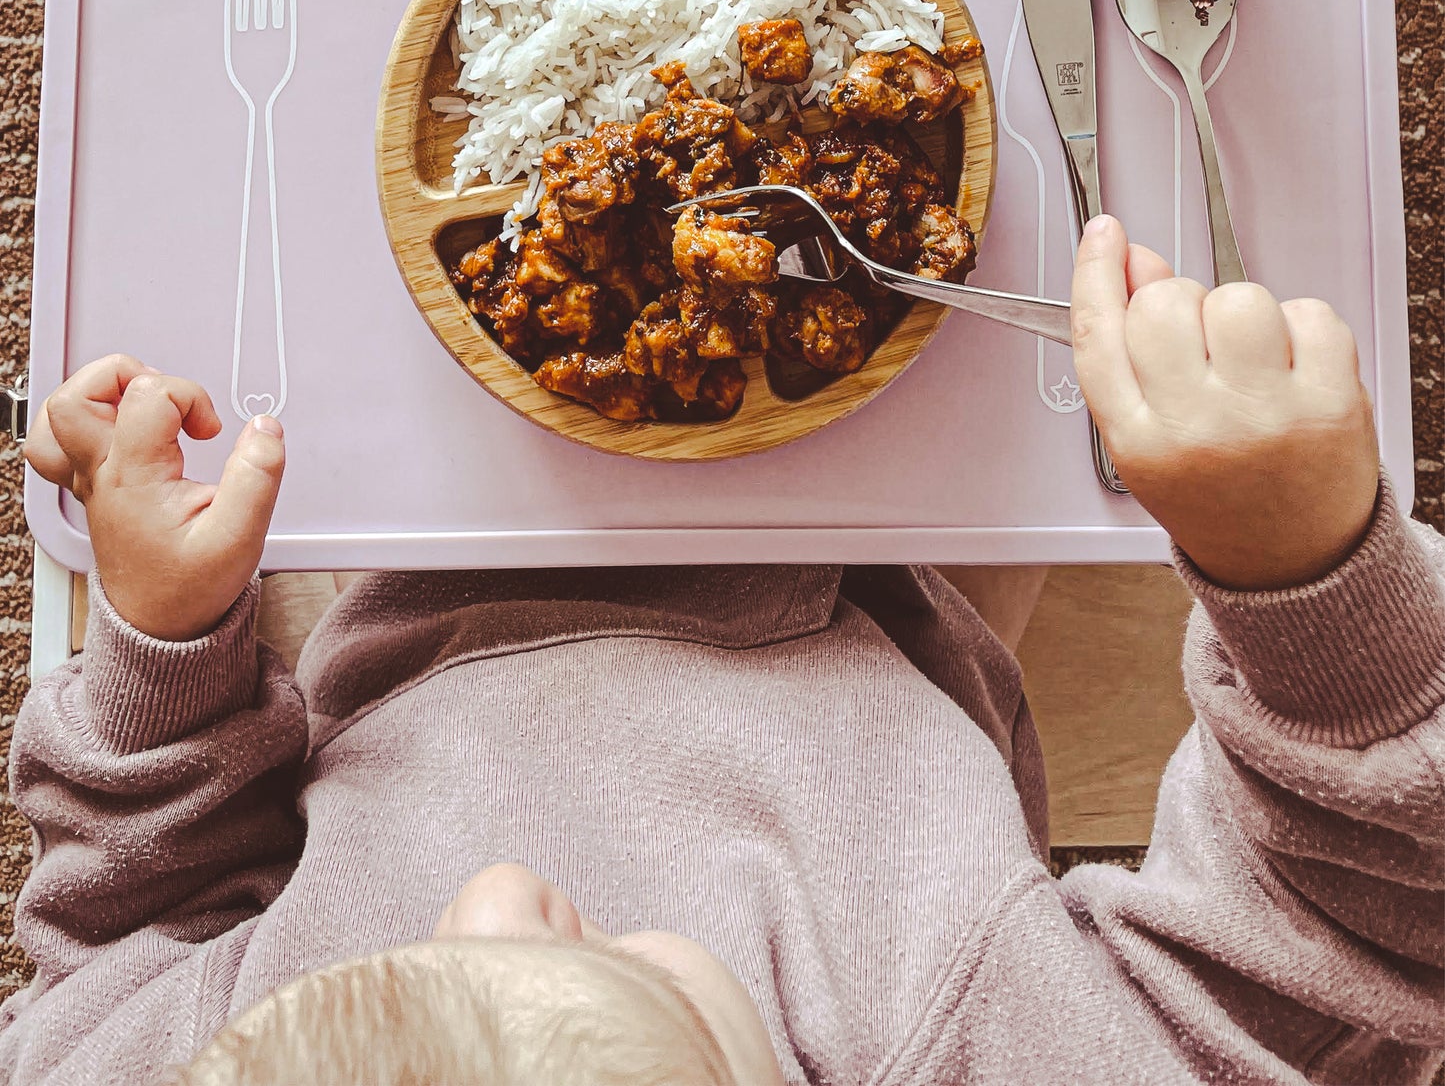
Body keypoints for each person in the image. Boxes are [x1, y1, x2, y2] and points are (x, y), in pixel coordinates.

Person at [3, 218, 1441, 1083]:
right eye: (624, 969)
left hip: (446, 591)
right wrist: (1305, 576)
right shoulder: (983, 1046)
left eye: (433, 951)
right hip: (892, 621)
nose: (502, 891)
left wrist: (163, 646)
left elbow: (120, 927)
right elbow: (1348, 950)